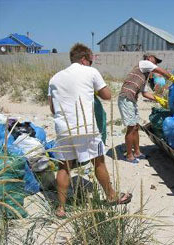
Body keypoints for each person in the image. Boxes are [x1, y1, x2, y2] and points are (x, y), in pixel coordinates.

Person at [48, 43, 132, 217]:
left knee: (64, 166)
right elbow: (107, 95)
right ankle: (111, 195)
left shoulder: (55, 78)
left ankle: (61, 208)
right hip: (85, 127)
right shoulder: (90, 72)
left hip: (63, 128)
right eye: (91, 61)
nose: (92, 64)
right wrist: (92, 91)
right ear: (84, 59)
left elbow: (52, 108)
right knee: (98, 161)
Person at [118, 53, 174, 163]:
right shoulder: (144, 63)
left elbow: (145, 94)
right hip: (126, 98)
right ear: (149, 58)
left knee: (136, 127)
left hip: (132, 100)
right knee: (131, 127)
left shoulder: (144, 76)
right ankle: (129, 155)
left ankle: (137, 152)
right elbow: (161, 71)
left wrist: (159, 99)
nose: (155, 64)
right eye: (155, 61)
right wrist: (172, 77)